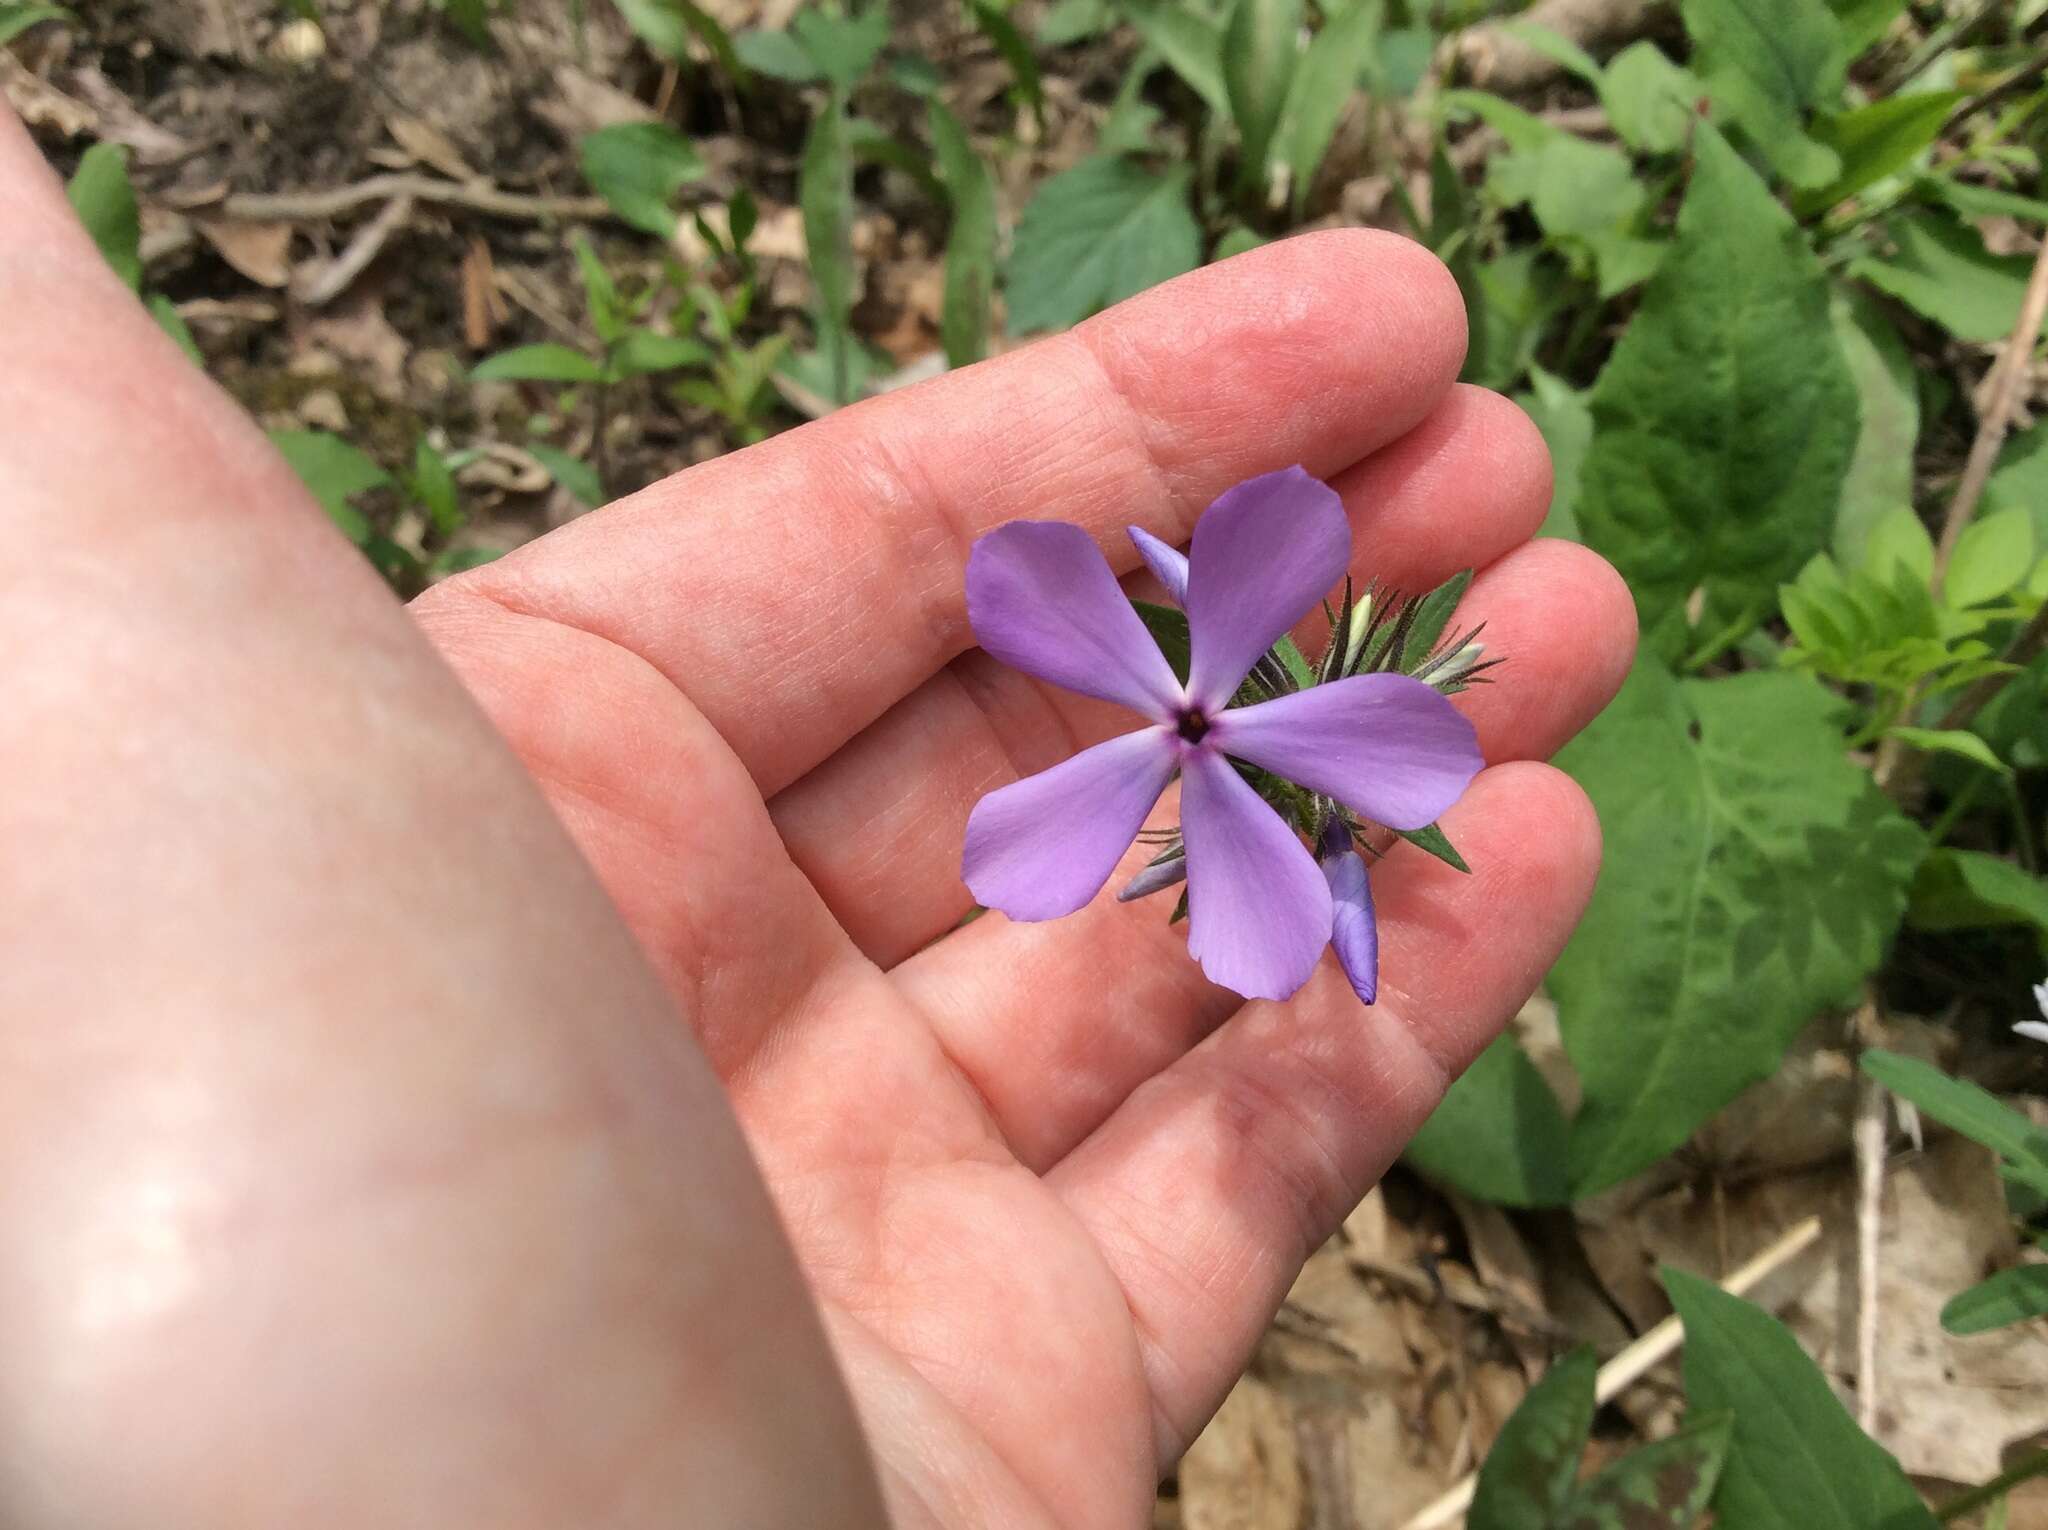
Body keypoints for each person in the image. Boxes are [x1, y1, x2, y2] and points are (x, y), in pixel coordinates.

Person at [0, 99, 1634, 1529]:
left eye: (1207, 706)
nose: (1193, 712)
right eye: (1185, 700)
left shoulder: (1258, 726)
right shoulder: (1157, 722)